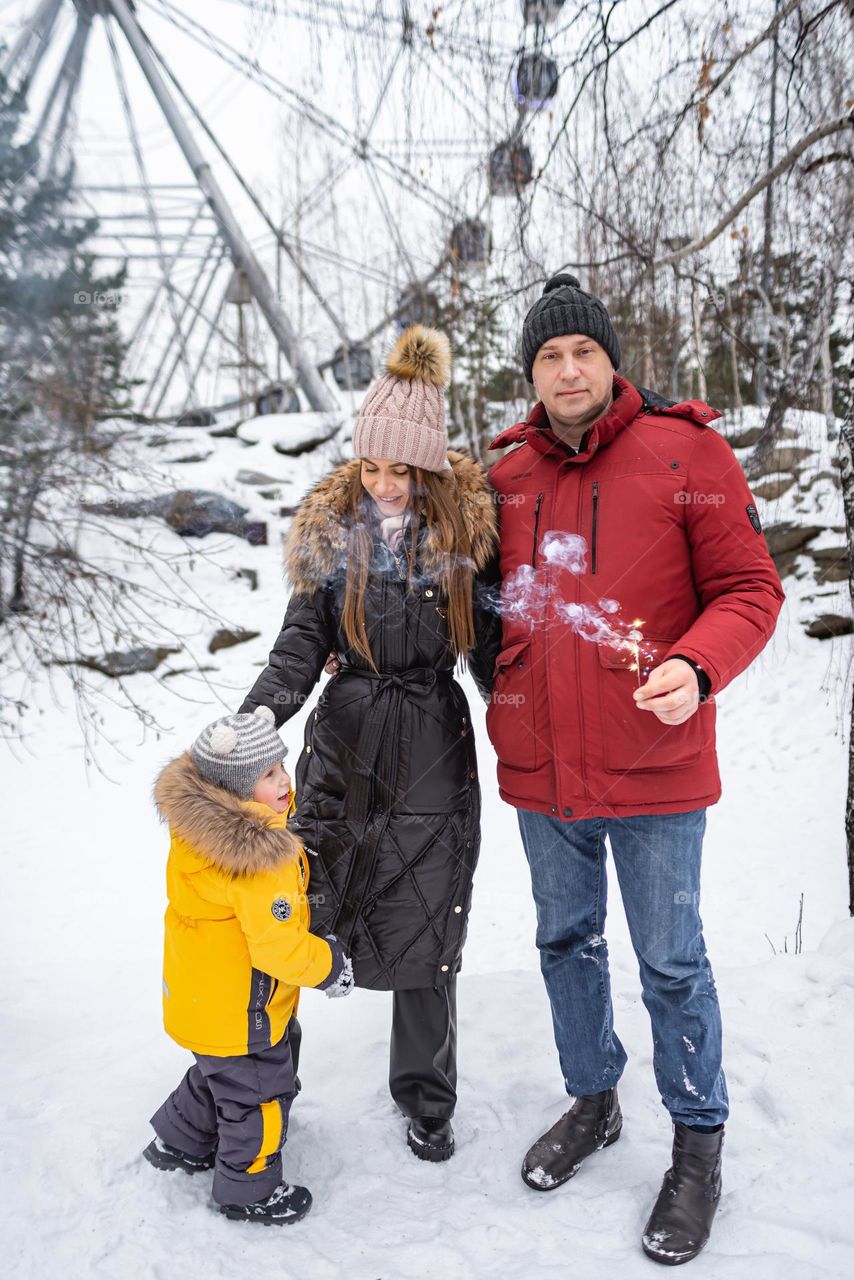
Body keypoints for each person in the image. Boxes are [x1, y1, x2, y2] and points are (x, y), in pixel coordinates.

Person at [484, 274, 785, 1264]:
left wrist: (696, 666)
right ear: (530, 375)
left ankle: (695, 1144)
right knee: (564, 942)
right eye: (547, 357)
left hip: (655, 764)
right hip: (543, 768)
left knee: (669, 961)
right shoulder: (503, 476)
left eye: (581, 352)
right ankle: (591, 1100)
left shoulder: (683, 452)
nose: (566, 370)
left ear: (609, 361)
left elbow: (747, 585)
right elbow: (473, 602)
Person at [239, 324, 499, 1162]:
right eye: (372, 466)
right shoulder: (331, 533)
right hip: (343, 746)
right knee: (299, 913)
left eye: (402, 469)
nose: (384, 484)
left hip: (431, 744)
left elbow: (499, 650)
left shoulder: (464, 540)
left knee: (426, 929)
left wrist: (539, 716)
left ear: (428, 467)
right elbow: (299, 642)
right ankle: (264, 1081)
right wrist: (255, 722)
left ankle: (426, 1096)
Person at [144, 705, 353, 1225]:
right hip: (244, 1013)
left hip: (201, 1003)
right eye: (268, 775)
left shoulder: (200, 833)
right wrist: (330, 965)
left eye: (283, 767)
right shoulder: (258, 858)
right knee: (258, 1096)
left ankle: (180, 1143)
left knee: (217, 1071)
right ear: (236, 790)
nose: (285, 781)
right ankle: (249, 1189)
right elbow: (277, 947)